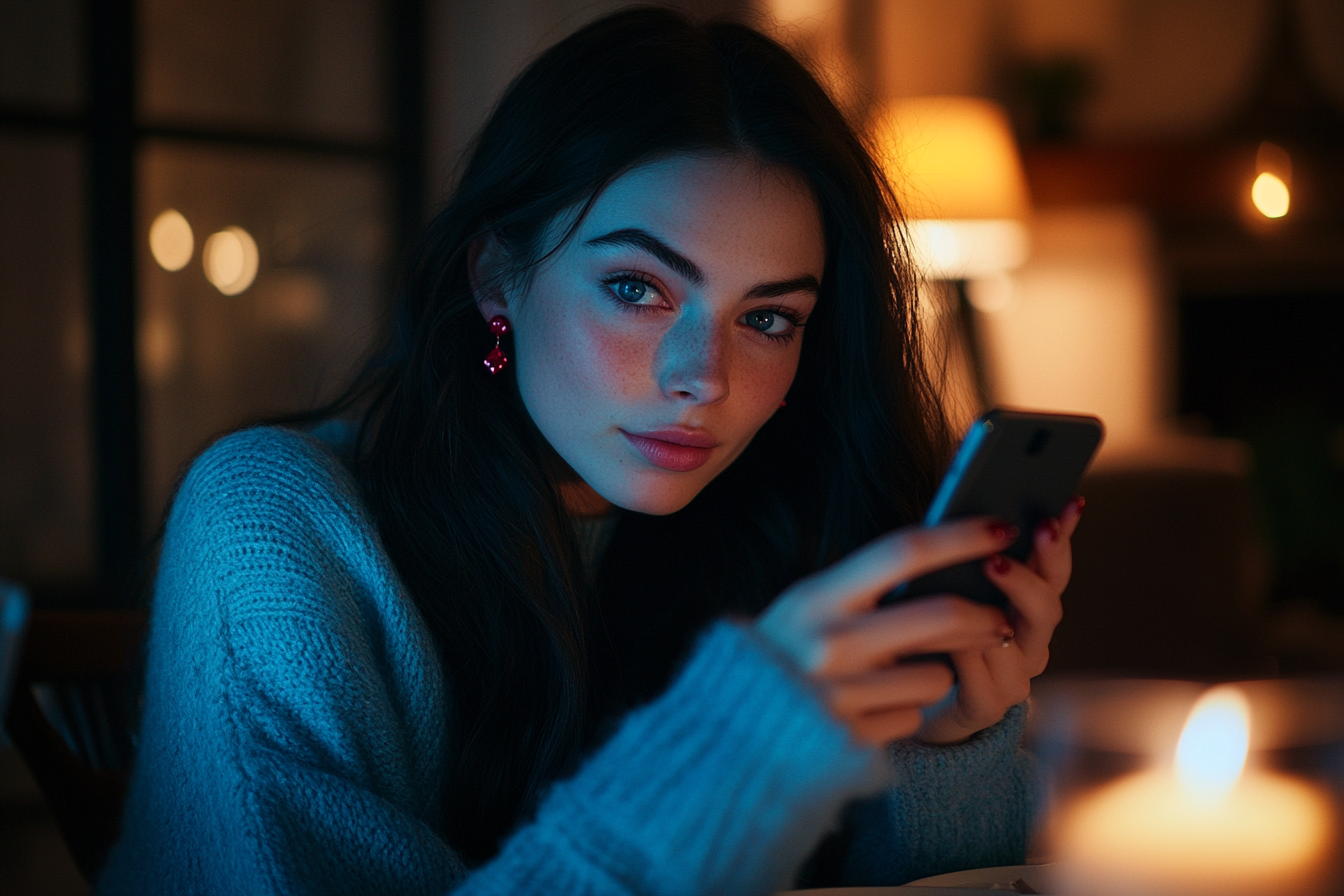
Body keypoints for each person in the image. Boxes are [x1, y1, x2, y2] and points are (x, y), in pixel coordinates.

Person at [99, 7, 1080, 895]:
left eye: (770, 316)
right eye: (637, 288)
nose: (706, 375)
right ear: (498, 278)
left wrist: (948, 745)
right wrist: (726, 747)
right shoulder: (274, 527)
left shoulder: (799, 521)